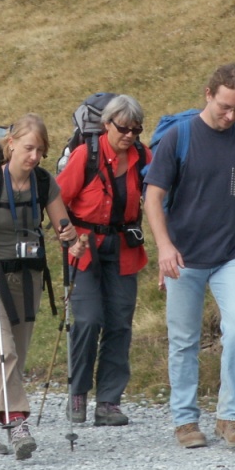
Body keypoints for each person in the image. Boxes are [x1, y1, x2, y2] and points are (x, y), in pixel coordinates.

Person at [143, 64, 235, 450]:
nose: (231, 116)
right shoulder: (179, 137)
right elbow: (153, 197)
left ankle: (230, 417)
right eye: (224, 107)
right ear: (208, 94)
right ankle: (185, 420)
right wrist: (164, 247)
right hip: (184, 258)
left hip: (230, 254)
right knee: (184, 339)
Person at [0, 114, 82, 459]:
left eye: (40, 150)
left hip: (26, 277)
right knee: (3, 350)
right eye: (29, 148)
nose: (34, 156)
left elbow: (64, 229)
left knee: (8, 357)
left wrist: (73, 240)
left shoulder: (43, 182)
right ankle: (18, 423)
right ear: (10, 144)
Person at [56, 94, 151, 426]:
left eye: (136, 130)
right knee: (87, 320)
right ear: (107, 124)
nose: (129, 135)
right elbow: (57, 200)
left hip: (124, 247)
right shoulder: (86, 155)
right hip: (84, 248)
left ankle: (109, 401)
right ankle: (78, 392)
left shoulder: (143, 156)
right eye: (123, 128)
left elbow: (157, 195)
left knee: (120, 323)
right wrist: (68, 236)